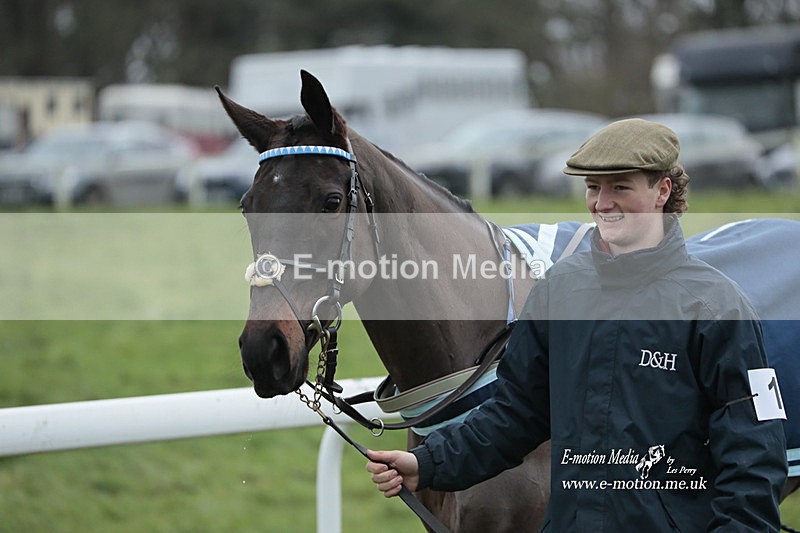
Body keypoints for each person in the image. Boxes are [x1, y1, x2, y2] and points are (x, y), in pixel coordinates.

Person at [366, 118, 788, 531]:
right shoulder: (558, 291)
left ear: (663, 190)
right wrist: (429, 463)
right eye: (593, 188)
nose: (602, 204)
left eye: (620, 186)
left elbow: (754, 455)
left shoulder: (717, 306)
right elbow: (516, 414)